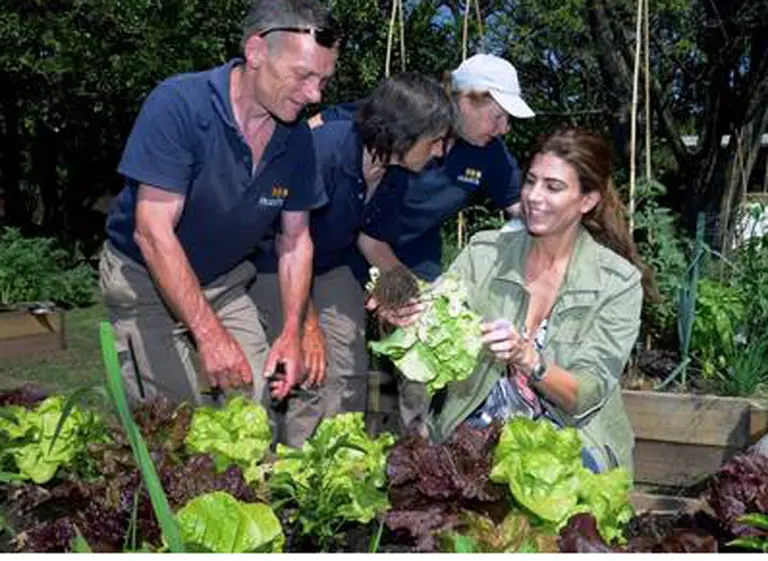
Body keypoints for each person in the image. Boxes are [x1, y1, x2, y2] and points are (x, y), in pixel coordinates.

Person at [98, 0, 339, 407]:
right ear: (257, 52)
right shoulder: (179, 105)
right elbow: (152, 232)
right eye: (302, 75)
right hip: (144, 280)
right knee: (169, 417)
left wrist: (292, 333)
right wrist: (210, 337)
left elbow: (295, 242)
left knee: (254, 405)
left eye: (323, 80)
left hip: (222, 282)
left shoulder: (296, 139)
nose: (314, 94)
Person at [314, 53, 535, 431]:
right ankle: (343, 438)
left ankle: (407, 451)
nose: (504, 128)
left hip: (410, 262)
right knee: (346, 359)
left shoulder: (491, 155)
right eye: (498, 115)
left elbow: (525, 210)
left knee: (419, 367)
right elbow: (315, 132)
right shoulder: (406, 117)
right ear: (465, 98)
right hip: (346, 251)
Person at [420, 127, 657, 474]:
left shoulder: (617, 283)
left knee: (553, 491)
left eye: (553, 187)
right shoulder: (483, 254)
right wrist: (411, 318)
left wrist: (529, 358)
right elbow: (435, 328)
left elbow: (586, 393)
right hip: (477, 427)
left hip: (570, 438)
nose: (533, 196)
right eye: (530, 181)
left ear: (587, 201)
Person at [249, 72, 455, 447]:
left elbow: (373, 240)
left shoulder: (395, 175)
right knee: (311, 369)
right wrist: (307, 328)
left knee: (348, 373)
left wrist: (411, 295)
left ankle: (334, 463)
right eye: (436, 141)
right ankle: (291, 468)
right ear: (403, 134)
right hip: (278, 263)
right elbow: (290, 240)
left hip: (332, 264)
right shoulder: (325, 150)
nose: (440, 152)